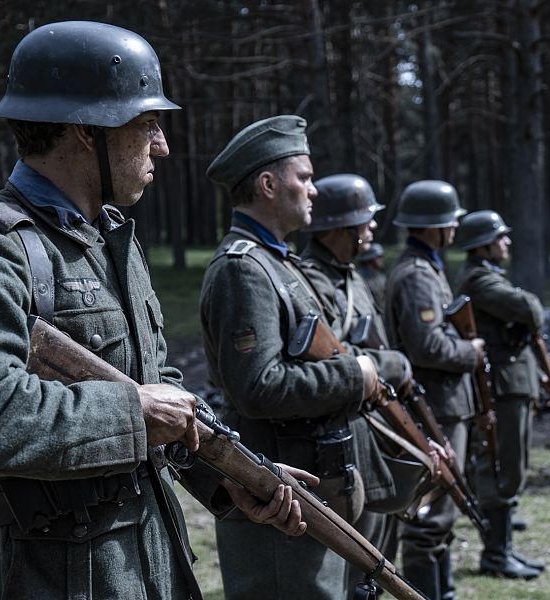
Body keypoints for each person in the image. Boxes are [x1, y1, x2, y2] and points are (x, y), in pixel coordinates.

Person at [0, 22, 308, 600]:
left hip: (145, 563)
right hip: (48, 577)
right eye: (147, 124)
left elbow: (153, 389)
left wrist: (229, 479)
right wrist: (132, 412)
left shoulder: (111, 239)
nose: (163, 145)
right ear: (83, 129)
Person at [200, 116, 381, 600]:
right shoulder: (245, 270)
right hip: (278, 498)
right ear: (267, 184)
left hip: (304, 491)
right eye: (303, 177)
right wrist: (354, 374)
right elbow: (259, 388)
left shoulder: (278, 264)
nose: (314, 190)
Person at [298, 173, 416, 596]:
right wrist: (394, 363)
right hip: (343, 441)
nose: (372, 228)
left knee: (378, 563)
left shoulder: (353, 277)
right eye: (364, 220)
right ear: (340, 226)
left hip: (373, 431)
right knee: (352, 570)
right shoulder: (310, 279)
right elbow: (341, 358)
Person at [384, 180, 486, 600]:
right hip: (434, 406)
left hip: (444, 403)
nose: (455, 229)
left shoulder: (428, 269)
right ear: (434, 227)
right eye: (450, 222)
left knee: (444, 510)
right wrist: (472, 350)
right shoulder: (417, 276)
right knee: (431, 517)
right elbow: (429, 345)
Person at [452, 209, 550, 579]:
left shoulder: (486, 277)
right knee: (500, 465)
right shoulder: (479, 280)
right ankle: (495, 555)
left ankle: (503, 547)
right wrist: (527, 304)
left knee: (510, 465)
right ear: (484, 245)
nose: (507, 243)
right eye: (501, 238)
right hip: (502, 386)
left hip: (511, 383)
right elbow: (531, 309)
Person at [358, 242, 387, 308]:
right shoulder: (359, 279)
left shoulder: (382, 278)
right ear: (369, 258)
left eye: (382, 256)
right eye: (379, 257)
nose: (382, 259)